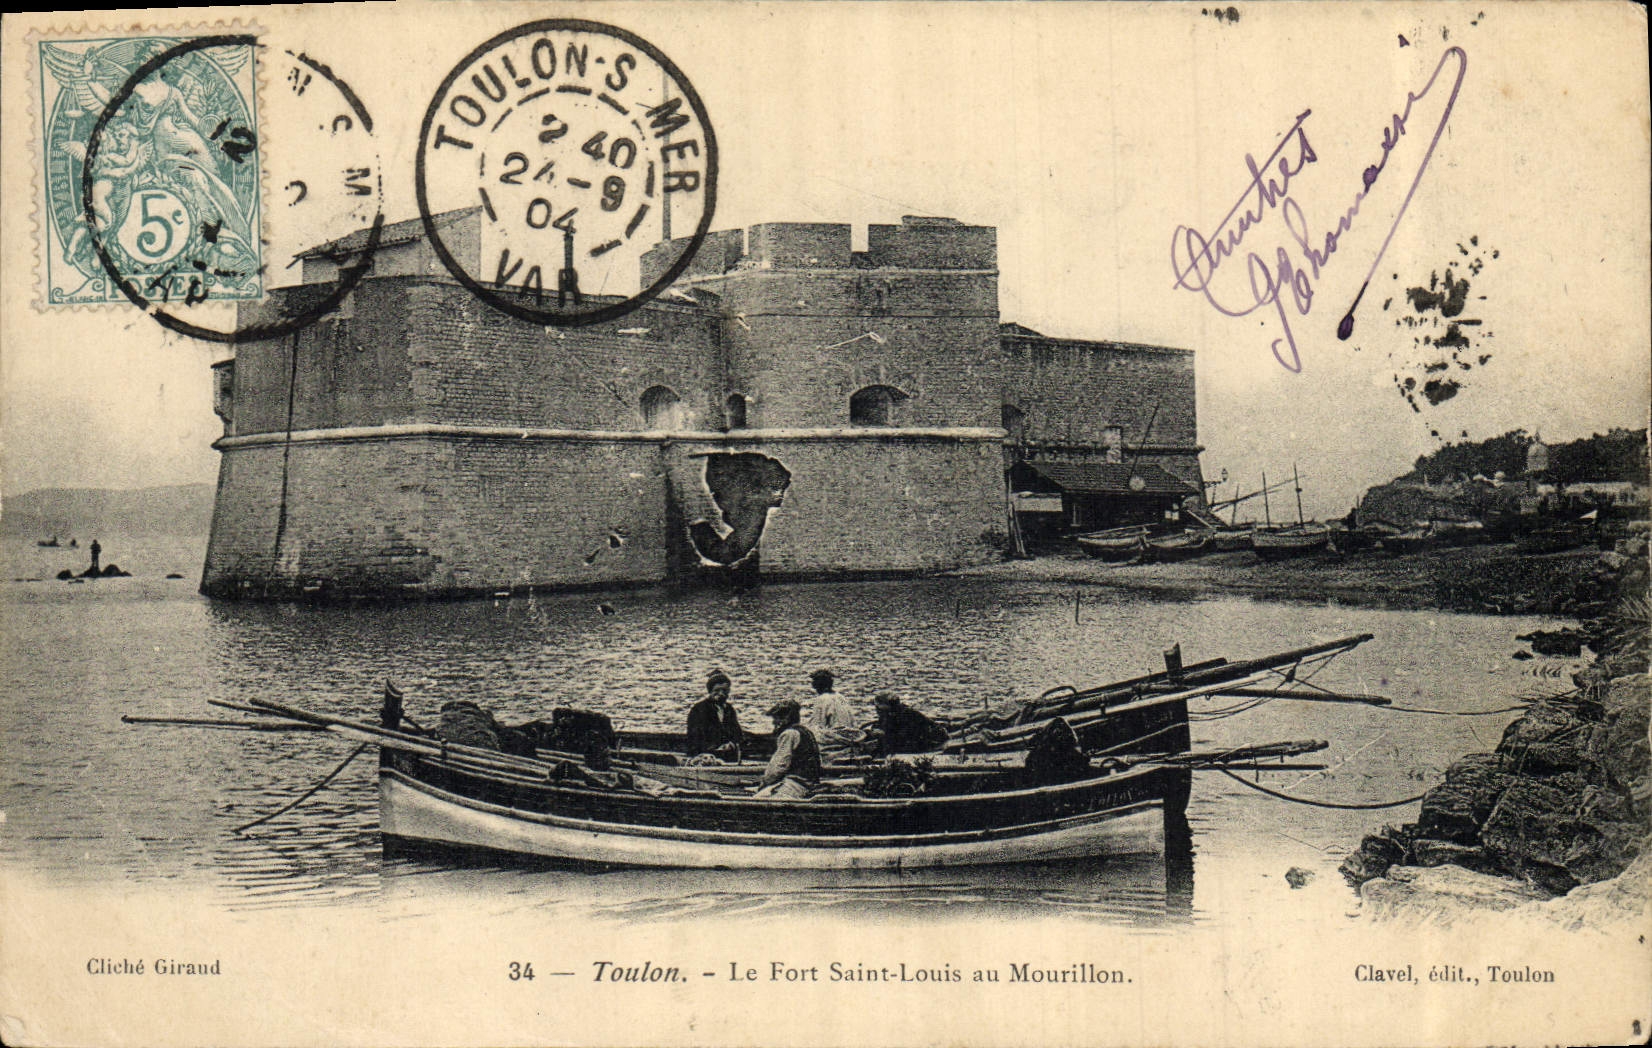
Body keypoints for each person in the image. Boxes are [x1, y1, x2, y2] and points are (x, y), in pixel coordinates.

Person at [754, 699, 821, 799]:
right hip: (809, 782)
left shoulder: (789, 734)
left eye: (776, 718)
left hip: (796, 784)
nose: (773, 722)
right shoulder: (806, 732)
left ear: (785, 718)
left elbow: (779, 766)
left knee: (758, 798)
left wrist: (764, 782)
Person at [804, 669, 863, 763]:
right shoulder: (841, 697)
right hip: (848, 735)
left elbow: (817, 725)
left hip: (835, 737)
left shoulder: (822, 699)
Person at [685, 669, 743, 761]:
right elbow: (694, 738)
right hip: (704, 757)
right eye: (717, 690)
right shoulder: (699, 709)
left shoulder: (729, 710)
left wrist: (731, 744)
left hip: (727, 756)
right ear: (710, 691)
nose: (721, 694)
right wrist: (715, 748)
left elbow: (737, 733)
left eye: (724, 690)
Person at [868, 692, 950, 756]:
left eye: (879, 707)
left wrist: (885, 734)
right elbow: (881, 725)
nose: (877, 710)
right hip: (906, 741)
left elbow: (906, 735)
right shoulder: (888, 714)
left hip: (923, 743)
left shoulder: (907, 714)